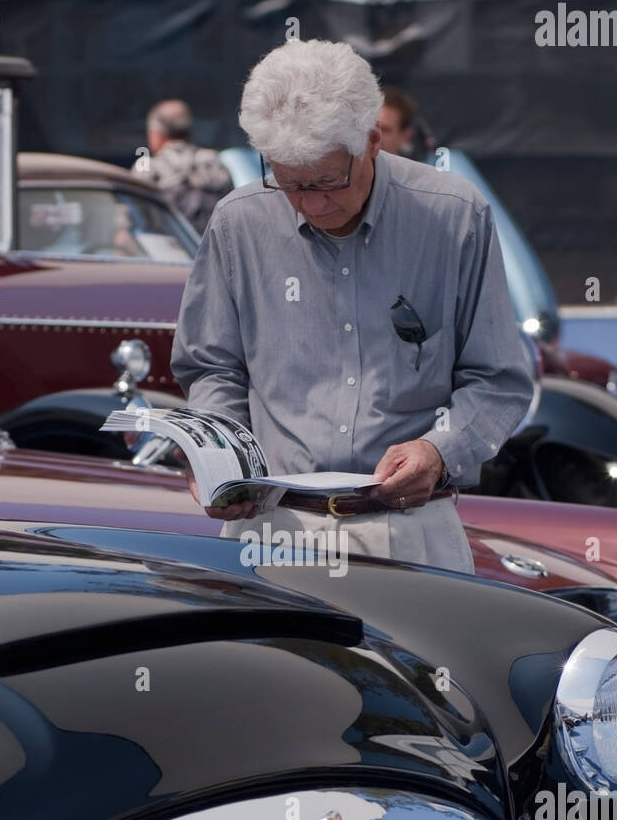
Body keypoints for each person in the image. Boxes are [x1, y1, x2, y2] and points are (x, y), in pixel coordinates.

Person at [170, 40, 533, 572]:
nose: (313, 203)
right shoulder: (238, 222)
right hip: (270, 530)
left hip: (411, 531)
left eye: (327, 180)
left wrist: (438, 451)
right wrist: (220, 456)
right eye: (290, 183)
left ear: (373, 140)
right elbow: (212, 367)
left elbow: (499, 378)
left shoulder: (454, 217)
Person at [132, 99, 232, 236]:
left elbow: (131, 220)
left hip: (167, 253)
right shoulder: (213, 162)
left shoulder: (147, 167)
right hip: (214, 250)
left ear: (156, 134)